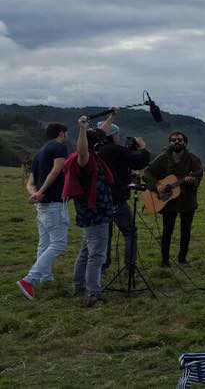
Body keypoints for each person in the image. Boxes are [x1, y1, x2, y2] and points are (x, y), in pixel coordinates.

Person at [63, 116, 117, 306]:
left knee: (86, 251)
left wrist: (112, 116)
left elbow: (101, 131)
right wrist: (82, 130)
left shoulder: (92, 158)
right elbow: (82, 151)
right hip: (95, 213)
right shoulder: (85, 160)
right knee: (97, 255)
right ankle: (93, 292)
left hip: (90, 212)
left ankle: (79, 286)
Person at [16, 122, 69, 301]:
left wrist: (35, 194)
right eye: (66, 133)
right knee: (59, 243)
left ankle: (46, 278)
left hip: (42, 206)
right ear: (61, 133)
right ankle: (29, 280)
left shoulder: (39, 153)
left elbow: (29, 182)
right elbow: (57, 170)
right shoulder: (59, 147)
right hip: (54, 204)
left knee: (44, 243)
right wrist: (41, 192)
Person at [95, 111, 150, 276]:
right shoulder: (115, 149)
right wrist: (143, 148)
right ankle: (130, 268)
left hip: (99, 199)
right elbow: (139, 162)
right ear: (112, 135)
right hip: (117, 199)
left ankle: (102, 267)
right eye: (117, 134)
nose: (119, 137)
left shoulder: (96, 149)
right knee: (129, 232)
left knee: (105, 235)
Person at [143, 131, 203, 267]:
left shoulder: (193, 159)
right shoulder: (163, 158)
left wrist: (192, 181)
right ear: (169, 142)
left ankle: (182, 258)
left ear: (185, 143)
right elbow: (147, 173)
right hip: (168, 201)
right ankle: (165, 260)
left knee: (186, 231)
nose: (176, 142)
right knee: (167, 231)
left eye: (180, 140)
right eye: (173, 140)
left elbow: (198, 175)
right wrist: (157, 186)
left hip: (187, 200)